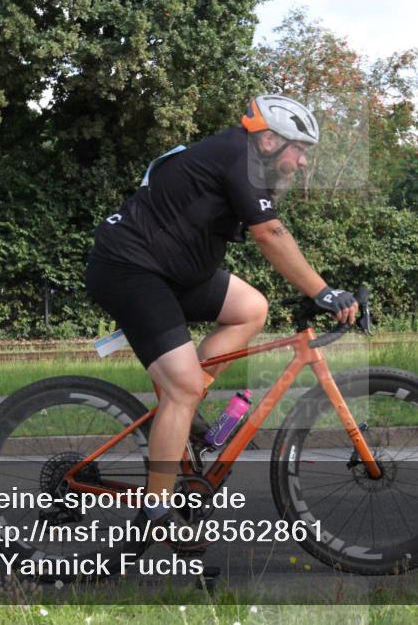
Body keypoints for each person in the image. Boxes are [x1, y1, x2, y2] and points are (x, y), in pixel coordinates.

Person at [85, 95, 358, 544]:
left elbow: (269, 231)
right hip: (130, 270)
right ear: (269, 140)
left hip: (171, 270)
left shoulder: (241, 157)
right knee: (183, 387)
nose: (303, 162)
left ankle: (184, 407)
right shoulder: (239, 157)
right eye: (299, 149)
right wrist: (323, 292)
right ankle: (157, 512)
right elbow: (270, 234)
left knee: (250, 308)